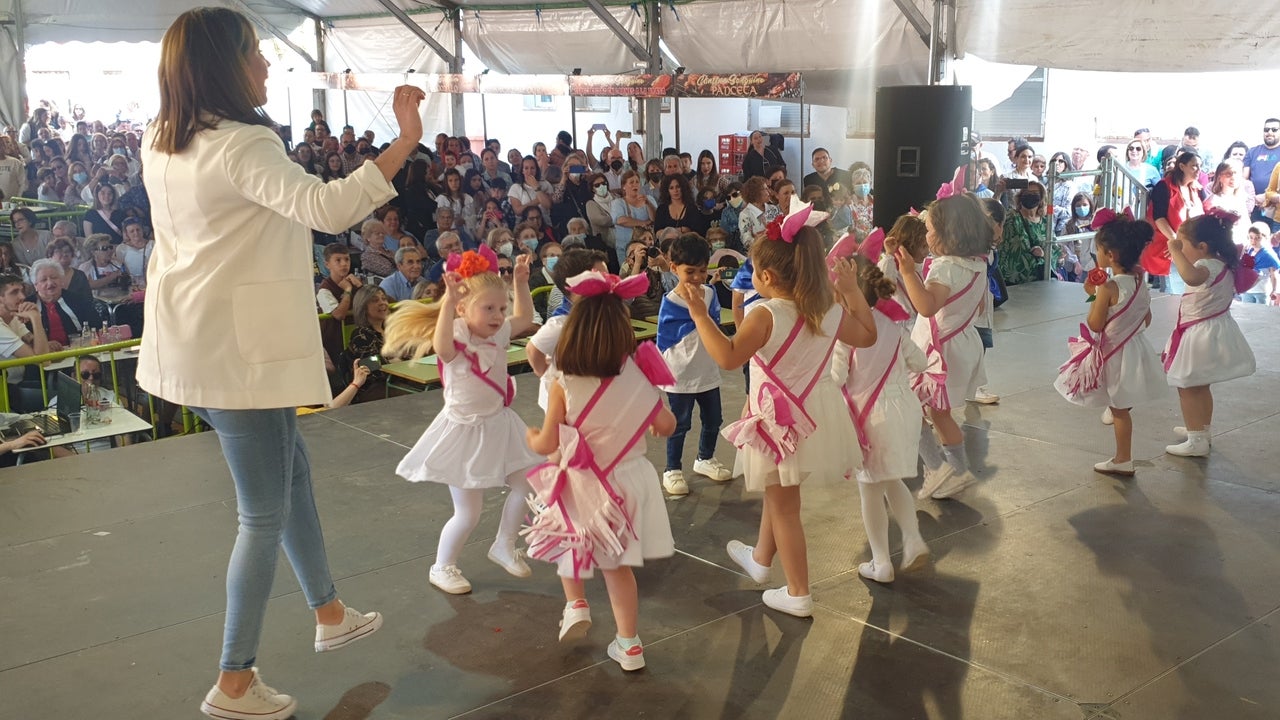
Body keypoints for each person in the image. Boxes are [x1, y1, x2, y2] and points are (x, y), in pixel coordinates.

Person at [140, 10, 418, 718]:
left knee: (291, 473)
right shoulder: (241, 144)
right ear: (222, 65)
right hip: (237, 354)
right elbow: (326, 209)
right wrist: (405, 142)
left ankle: (329, 613)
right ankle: (234, 681)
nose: (266, 66)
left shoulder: (163, 136)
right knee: (262, 514)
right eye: (256, 55)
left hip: (193, 339)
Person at [676, 199, 874, 618]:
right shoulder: (828, 309)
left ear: (765, 276)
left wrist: (699, 313)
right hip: (816, 414)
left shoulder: (764, 314)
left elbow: (728, 357)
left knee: (784, 504)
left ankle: (799, 593)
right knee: (778, 488)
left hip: (778, 418)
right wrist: (853, 291)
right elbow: (868, 335)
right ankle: (761, 560)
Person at [521, 268, 676, 671]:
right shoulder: (641, 374)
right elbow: (667, 426)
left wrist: (531, 437)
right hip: (628, 479)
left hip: (581, 483)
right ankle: (630, 645)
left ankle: (575, 604)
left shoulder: (562, 380)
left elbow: (548, 443)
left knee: (565, 539)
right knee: (618, 567)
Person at [382, 249, 542, 595]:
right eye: (489, 308)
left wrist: (521, 282)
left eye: (501, 308)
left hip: (500, 424)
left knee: (527, 482)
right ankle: (442, 566)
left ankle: (504, 543)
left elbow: (525, 317)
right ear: (461, 309)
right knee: (468, 514)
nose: (499, 316)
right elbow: (441, 347)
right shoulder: (455, 337)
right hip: (466, 432)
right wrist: (448, 299)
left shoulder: (497, 334)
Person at [832, 254, 929, 583]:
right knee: (892, 479)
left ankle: (881, 562)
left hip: (869, 418)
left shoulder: (848, 331)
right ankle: (913, 538)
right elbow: (920, 362)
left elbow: (835, 376)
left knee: (870, 490)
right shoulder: (893, 325)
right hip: (904, 410)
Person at [1055, 211, 1166, 476]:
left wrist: (1095, 297)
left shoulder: (1109, 288)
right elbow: (1146, 320)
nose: (1098, 255)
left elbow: (1095, 324)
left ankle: (1122, 459)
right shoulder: (1141, 283)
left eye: (1099, 250)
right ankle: (1121, 449)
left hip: (1116, 354)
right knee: (1121, 402)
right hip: (1136, 350)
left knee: (1119, 411)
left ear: (1111, 256)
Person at [897, 194, 992, 500]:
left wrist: (909, 273)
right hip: (961, 343)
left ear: (948, 233)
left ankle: (940, 467)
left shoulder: (945, 268)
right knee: (941, 414)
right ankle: (957, 471)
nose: (926, 235)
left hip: (936, 353)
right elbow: (978, 308)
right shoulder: (978, 263)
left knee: (910, 407)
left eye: (930, 229)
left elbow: (925, 306)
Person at [1161, 212, 1257, 457]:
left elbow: (1190, 277)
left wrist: (1175, 252)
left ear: (1202, 247)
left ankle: (1197, 440)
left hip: (1200, 335)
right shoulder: (1221, 263)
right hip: (1208, 330)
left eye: (1183, 245)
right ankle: (1200, 430)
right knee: (1200, 387)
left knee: (1188, 386)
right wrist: (1179, 251)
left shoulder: (1206, 266)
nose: (1180, 250)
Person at [655, 234, 732, 496]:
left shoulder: (710, 294)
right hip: (680, 375)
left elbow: (716, 327)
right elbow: (663, 341)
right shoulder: (671, 301)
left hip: (708, 370)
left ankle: (705, 458)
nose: (698, 277)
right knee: (680, 424)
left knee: (714, 419)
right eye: (690, 271)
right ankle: (672, 469)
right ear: (673, 267)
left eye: (702, 270)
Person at [527, 247, 609, 409]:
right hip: (564, 400)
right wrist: (545, 371)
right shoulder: (562, 323)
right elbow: (533, 350)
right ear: (576, 284)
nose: (609, 282)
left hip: (591, 392)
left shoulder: (599, 313)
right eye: (600, 277)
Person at [1145, 150, 1206, 294]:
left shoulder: (1197, 189)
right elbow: (1159, 217)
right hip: (1168, 245)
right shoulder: (1163, 186)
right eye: (1194, 166)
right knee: (1172, 292)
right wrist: (1177, 242)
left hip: (1191, 247)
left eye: (1200, 166)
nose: (1198, 170)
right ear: (1182, 166)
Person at [344, 286, 392, 404]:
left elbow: (410, 355)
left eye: (384, 299)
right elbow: (370, 366)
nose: (382, 303)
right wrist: (392, 359)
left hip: (396, 382)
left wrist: (392, 359)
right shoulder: (360, 334)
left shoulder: (392, 330)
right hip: (372, 389)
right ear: (363, 307)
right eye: (375, 300)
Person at [878, 214, 928, 323]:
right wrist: (889, 254)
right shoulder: (891, 265)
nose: (927, 252)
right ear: (909, 245)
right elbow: (885, 287)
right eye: (923, 247)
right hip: (904, 330)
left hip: (920, 324)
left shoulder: (918, 265)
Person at [998, 179, 1050, 285]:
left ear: (1041, 198)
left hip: (1038, 281)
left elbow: (1054, 250)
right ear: (1021, 196)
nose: (1030, 195)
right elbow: (993, 216)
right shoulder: (1011, 216)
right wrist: (998, 193)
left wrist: (1043, 254)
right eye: (1027, 193)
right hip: (1011, 280)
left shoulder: (1046, 222)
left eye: (1035, 193)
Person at [1204, 160, 1256, 246]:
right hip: (1222, 245)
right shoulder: (1213, 200)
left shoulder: (1241, 199)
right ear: (1219, 176)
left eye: (1236, 174)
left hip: (1241, 244)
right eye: (1228, 174)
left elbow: (1246, 224)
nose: (1233, 177)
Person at [610, 170, 655, 266]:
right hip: (625, 247)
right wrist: (644, 223)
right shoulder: (618, 203)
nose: (635, 185)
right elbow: (620, 220)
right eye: (631, 182)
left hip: (647, 246)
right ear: (624, 186)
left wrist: (648, 204)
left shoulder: (649, 199)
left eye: (637, 182)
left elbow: (655, 218)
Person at [1244, 118, 1280, 227]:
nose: (1269, 132)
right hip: (1255, 206)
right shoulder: (1252, 151)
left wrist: (1267, 196)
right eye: (1266, 129)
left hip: (1276, 207)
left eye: (1274, 129)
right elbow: (1244, 178)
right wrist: (1252, 198)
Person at [1241, 222, 1279, 304]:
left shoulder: (1268, 255)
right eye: (1251, 237)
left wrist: (1274, 290)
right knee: (1246, 315)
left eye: (1257, 238)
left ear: (1263, 238)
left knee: (1262, 315)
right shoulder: (1248, 251)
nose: (1253, 241)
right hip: (1248, 290)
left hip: (1262, 291)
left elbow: (1273, 274)